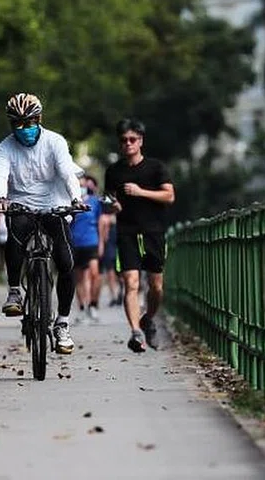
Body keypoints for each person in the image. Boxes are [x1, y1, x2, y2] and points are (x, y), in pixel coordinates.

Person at [0, 92, 85, 354]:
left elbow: (67, 171)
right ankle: (14, 292)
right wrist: (0, 198)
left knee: (67, 262)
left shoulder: (55, 142)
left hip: (55, 204)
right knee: (16, 233)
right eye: (17, 124)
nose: (24, 129)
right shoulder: (4, 148)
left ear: (39, 118)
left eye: (29, 122)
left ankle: (62, 323)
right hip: (21, 204)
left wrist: (76, 199)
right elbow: (0, 175)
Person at [103, 118, 174, 353]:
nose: (128, 144)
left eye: (132, 139)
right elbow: (108, 200)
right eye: (123, 140)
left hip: (153, 231)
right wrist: (112, 207)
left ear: (140, 141)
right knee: (130, 283)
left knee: (156, 286)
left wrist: (140, 191)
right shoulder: (114, 171)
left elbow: (169, 196)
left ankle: (148, 318)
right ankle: (135, 332)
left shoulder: (156, 168)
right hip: (126, 232)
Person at [70, 174, 104, 324]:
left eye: (83, 185)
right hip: (74, 243)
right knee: (79, 278)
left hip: (92, 241)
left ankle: (93, 304)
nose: (82, 188)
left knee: (95, 274)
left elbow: (101, 222)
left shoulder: (95, 202)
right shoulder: (69, 203)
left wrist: (102, 242)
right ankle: (82, 307)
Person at [98, 212, 123, 307]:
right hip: (112, 246)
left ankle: (116, 294)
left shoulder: (106, 218)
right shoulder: (106, 218)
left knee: (114, 272)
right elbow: (104, 236)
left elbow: (104, 237)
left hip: (115, 246)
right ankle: (115, 295)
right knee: (112, 272)